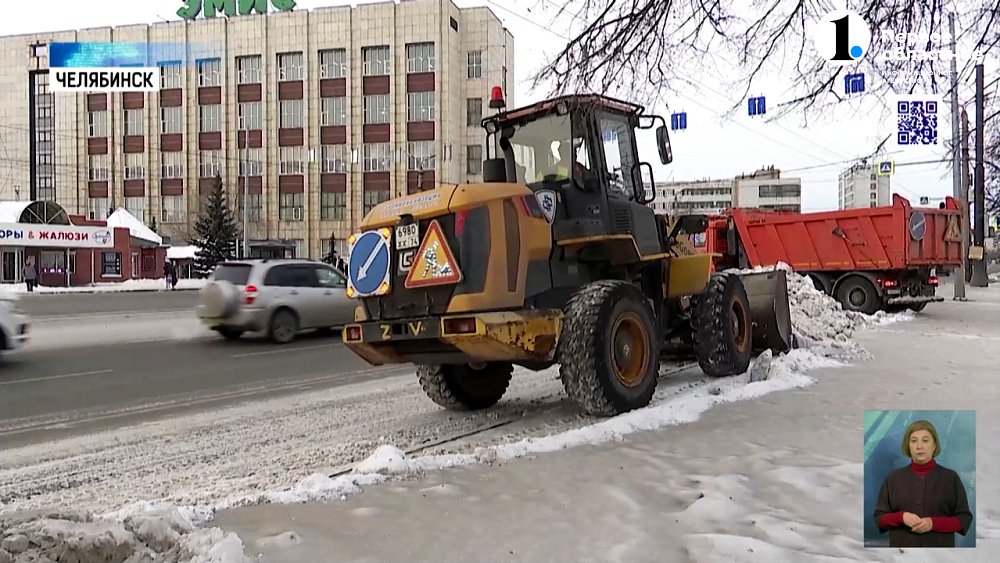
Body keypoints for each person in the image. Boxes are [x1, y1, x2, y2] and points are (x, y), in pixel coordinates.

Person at [874, 419, 973, 547]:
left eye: (925, 440)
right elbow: (879, 520)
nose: (919, 446)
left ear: (934, 446)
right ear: (908, 446)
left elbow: (964, 520)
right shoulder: (893, 478)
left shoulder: (950, 478)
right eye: (914, 441)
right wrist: (902, 517)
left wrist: (932, 524)